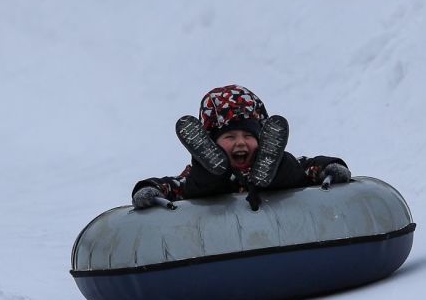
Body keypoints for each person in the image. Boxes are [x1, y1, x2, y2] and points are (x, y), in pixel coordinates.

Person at [132, 84, 351, 210]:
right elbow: (174, 186)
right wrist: (150, 190)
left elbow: (310, 167)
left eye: (249, 135)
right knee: (201, 180)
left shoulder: (268, 157)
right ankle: (212, 166)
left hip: (274, 184)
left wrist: (329, 168)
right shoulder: (195, 174)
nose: (240, 142)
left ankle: (272, 165)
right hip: (213, 191)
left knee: (289, 168)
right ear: (211, 141)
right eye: (229, 136)